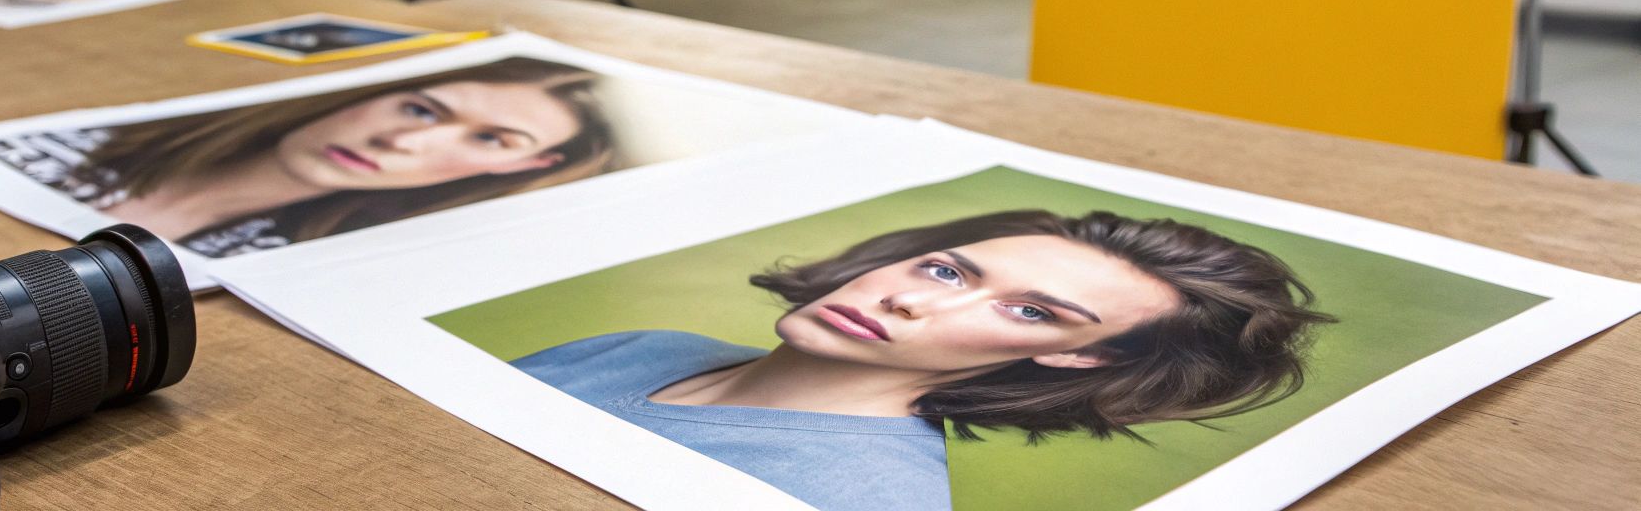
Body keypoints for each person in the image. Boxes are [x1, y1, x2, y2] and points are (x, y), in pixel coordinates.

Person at [514, 210, 1333, 511]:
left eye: (1029, 311)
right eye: (947, 269)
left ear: (1076, 360)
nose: (913, 300)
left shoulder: (866, 497)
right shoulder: (652, 348)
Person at [0, 57, 615, 256]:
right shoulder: (57, 148)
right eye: (420, 108)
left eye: (490, 139)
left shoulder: (281, 263)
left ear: (518, 169)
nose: (404, 141)